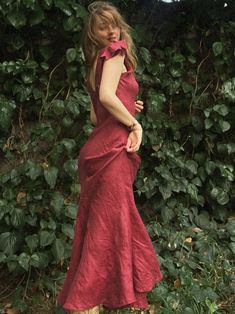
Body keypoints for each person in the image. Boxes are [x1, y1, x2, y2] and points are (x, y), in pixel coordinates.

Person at [57, 1, 163, 313]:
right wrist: (134, 123)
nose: (112, 30)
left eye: (114, 23)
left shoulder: (93, 66)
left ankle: (98, 298)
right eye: (103, 26)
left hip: (97, 149)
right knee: (109, 226)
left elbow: (96, 115)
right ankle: (87, 303)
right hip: (112, 152)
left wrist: (129, 104)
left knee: (102, 226)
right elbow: (106, 98)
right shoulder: (114, 53)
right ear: (92, 32)